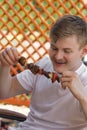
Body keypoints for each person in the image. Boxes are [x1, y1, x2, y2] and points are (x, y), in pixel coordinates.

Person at [0, 15, 87, 130]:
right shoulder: (44, 65)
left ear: (83, 51)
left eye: (67, 51)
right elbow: (5, 91)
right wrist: (4, 65)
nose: (58, 56)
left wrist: (82, 96)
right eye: (54, 48)